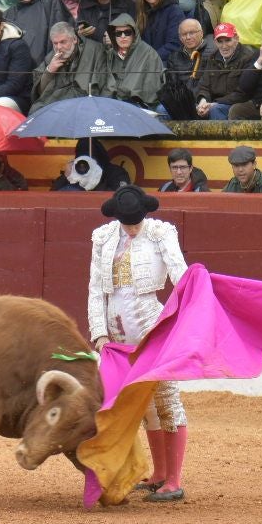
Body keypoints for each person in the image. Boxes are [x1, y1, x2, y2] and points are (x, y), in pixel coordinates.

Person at [86, 183, 190, 502]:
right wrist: (100, 333)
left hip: (151, 325)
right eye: (127, 222)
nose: (132, 228)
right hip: (116, 332)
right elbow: (95, 289)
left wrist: (185, 314)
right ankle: (158, 474)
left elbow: (179, 274)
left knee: (166, 399)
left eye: (136, 221)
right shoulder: (104, 238)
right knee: (139, 405)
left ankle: (174, 480)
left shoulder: (160, 233)